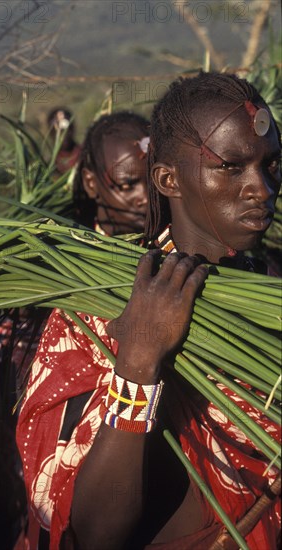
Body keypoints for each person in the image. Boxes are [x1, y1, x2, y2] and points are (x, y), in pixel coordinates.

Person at [16, 71, 281, 549]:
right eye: (231, 167)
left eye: (272, 165)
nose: (262, 188)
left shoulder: (271, 290)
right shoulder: (100, 314)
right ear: (167, 179)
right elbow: (91, 533)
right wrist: (139, 361)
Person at [73, 111, 150, 236]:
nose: (146, 198)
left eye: (154, 183)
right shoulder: (68, 250)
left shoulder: (179, 248)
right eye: (127, 186)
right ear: (91, 183)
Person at [47, 107, 81, 176]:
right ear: (51, 134)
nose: (62, 136)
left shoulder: (85, 157)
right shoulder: (49, 168)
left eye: (64, 131)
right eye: (56, 131)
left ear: (72, 129)